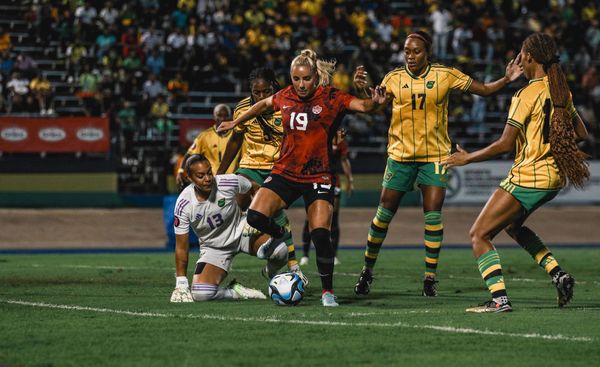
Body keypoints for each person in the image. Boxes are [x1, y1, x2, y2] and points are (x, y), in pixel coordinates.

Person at [352, 30, 522, 297]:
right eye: (407, 51)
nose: (410, 56)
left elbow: (485, 91)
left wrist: (507, 79)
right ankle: (366, 271)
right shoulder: (393, 78)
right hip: (401, 156)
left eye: (416, 51)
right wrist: (363, 90)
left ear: (427, 53)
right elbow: (374, 108)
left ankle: (429, 278)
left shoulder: (445, 74)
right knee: (383, 217)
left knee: (432, 216)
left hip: (434, 157)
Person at [218, 49, 386, 307]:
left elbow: (366, 107)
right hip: (286, 172)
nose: (301, 84)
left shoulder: (332, 97)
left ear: (316, 77)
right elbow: (262, 104)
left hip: (318, 175)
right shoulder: (285, 95)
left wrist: (370, 95)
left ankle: (327, 292)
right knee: (254, 217)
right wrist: (234, 122)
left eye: (306, 78)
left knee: (320, 235)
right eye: (296, 79)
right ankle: (280, 239)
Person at [442, 33, 589, 312]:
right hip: (553, 178)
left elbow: (505, 144)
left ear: (529, 57)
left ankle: (499, 299)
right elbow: (581, 133)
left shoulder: (525, 94)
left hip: (529, 176)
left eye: (521, 53)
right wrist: (555, 146)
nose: (519, 57)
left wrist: (467, 158)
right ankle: (558, 274)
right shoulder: (560, 91)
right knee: (512, 226)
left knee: (479, 235)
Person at [216, 67, 305, 282]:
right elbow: (236, 140)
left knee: (275, 214)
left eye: (266, 91)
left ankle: (288, 264)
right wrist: (221, 171)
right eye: (257, 92)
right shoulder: (242, 109)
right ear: (251, 91)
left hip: (278, 168)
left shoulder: (286, 106)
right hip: (250, 165)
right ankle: (225, 251)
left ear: (274, 86)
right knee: (240, 194)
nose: (262, 96)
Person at [170, 154, 288, 303]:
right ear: (190, 178)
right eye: (200, 176)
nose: (207, 178)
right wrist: (181, 282)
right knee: (201, 294)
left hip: (242, 232)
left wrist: (253, 215)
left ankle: (270, 273)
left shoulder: (226, 182)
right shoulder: (184, 204)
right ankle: (237, 292)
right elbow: (181, 246)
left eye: (209, 172)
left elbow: (254, 187)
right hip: (214, 248)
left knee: (281, 252)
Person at [300, 129, 353, 266]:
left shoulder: (340, 141)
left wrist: (350, 180)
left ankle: (334, 255)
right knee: (310, 218)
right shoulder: (318, 136)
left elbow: (344, 160)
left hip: (333, 182)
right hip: (315, 180)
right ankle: (305, 254)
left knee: (334, 219)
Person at [176, 104, 240, 188]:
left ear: (231, 116)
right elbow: (189, 154)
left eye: (226, 115)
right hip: (212, 182)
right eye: (219, 115)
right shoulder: (205, 136)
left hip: (233, 182)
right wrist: (180, 171)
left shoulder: (238, 136)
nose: (223, 119)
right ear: (214, 116)